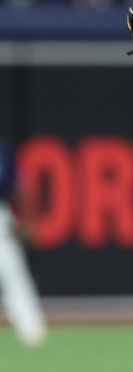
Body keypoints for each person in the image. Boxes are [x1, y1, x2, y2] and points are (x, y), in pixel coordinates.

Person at [0, 139, 47, 347]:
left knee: (13, 272)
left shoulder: (3, 151)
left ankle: (31, 330)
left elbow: (20, 186)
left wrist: (27, 220)